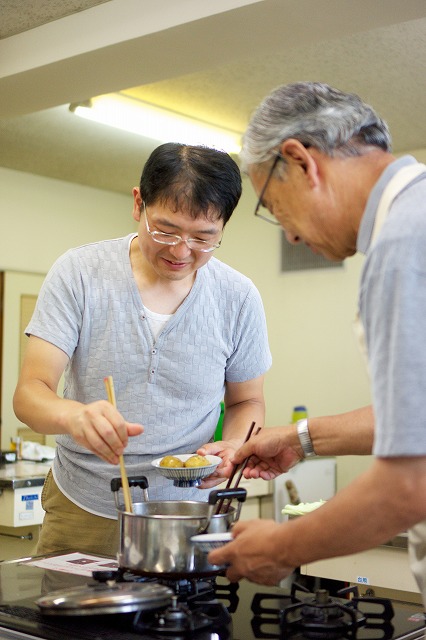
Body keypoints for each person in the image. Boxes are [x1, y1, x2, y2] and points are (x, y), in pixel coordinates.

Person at [208, 82, 426, 606]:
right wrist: (301, 439)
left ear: (301, 162)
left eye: (272, 207)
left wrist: (282, 545)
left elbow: (411, 479)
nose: (290, 236)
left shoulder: (402, 246)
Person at [13, 142, 272, 556]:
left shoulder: (237, 297)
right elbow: (30, 393)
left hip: (189, 513)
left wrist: (232, 446)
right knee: (68, 623)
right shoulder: (80, 274)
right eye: (165, 230)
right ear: (139, 204)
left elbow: (249, 400)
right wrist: (75, 416)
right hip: (86, 504)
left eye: (203, 238)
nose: (180, 251)